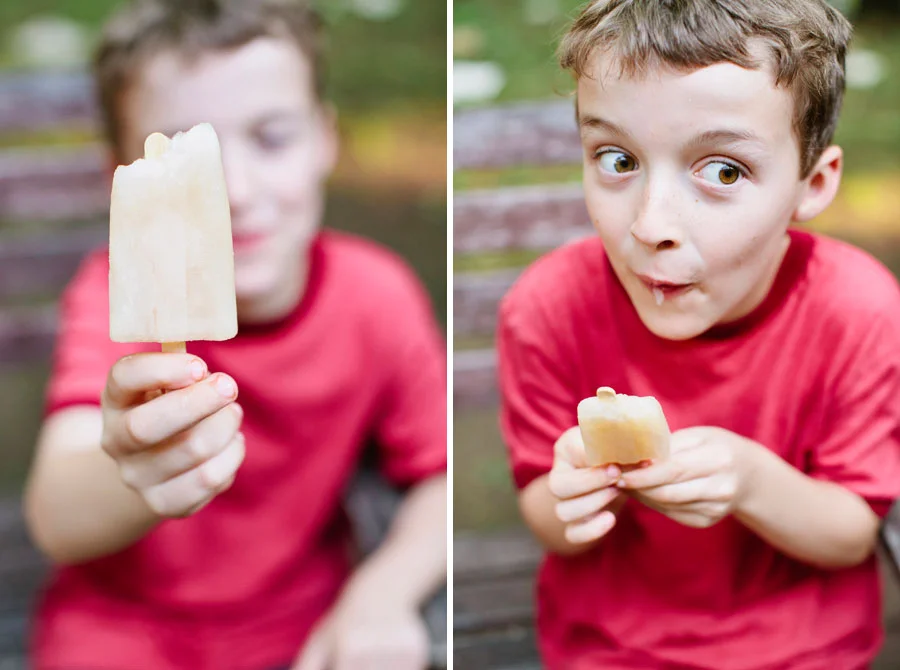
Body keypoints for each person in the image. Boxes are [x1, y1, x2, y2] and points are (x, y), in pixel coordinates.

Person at [23, 1, 447, 669]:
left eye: (272, 138)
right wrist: (131, 466)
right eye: (178, 157)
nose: (237, 192)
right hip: (119, 631)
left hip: (306, 625)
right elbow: (57, 518)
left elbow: (440, 478)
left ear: (325, 140)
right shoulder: (110, 293)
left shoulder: (376, 296)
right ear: (121, 180)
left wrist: (383, 594)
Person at [497, 1, 900, 668]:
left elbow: (851, 536)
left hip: (803, 650)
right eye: (617, 159)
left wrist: (749, 482)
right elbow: (549, 521)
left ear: (812, 184)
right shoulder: (546, 308)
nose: (650, 224)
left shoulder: (859, 312)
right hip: (611, 650)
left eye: (723, 171)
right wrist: (584, 484)